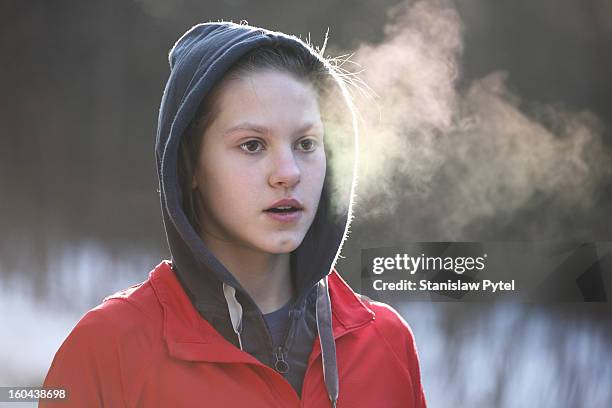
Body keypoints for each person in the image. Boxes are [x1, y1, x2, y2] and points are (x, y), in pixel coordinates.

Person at [41, 22, 427, 408]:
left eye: (306, 143)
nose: (289, 172)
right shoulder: (109, 350)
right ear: (189, 165)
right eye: (253, 145)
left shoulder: (386, 342)